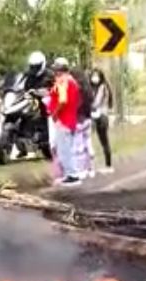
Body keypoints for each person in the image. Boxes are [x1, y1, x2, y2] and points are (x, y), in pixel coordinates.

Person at [48, 57, 82, 186]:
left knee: (64, 149)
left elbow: (62, 100)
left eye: (56, 69)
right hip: (70, 118)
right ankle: (70, 173)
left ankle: (72, 175)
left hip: (64, 119)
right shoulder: (71, 80)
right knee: (64, 147)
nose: (54, 72)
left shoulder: (62, 81)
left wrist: (55, 113)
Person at [89, 68, 115, 174]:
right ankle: (91, 165)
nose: (94, 78)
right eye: (93, 75)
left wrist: (89, 106)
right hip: (95, 115)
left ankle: (108, 165)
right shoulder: (92, 88)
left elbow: (97, 102)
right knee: (89, 140)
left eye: (97, 76)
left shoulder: (103, 87)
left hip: (101, 116)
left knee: (103, 140)